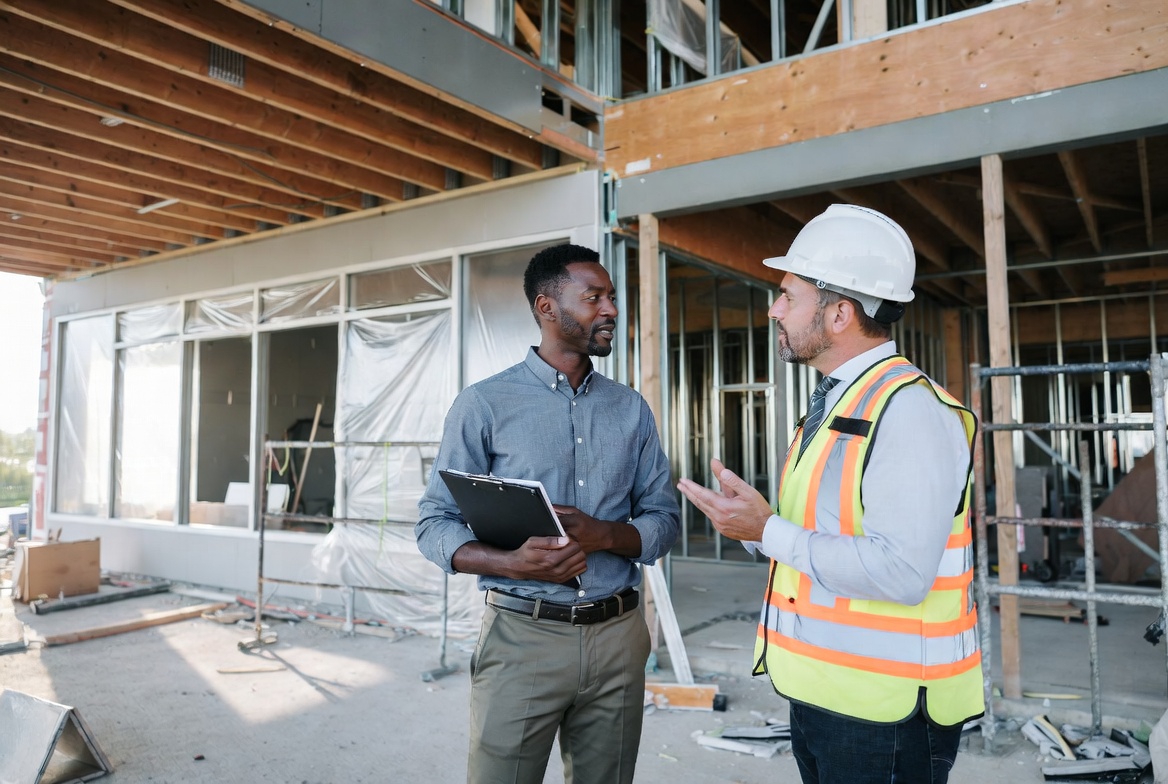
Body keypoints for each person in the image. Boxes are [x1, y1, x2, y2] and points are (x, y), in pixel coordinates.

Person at [676, 204, 983, 784]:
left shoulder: (908, 409)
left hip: (885, 710)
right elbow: (820, 530)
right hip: (824, 692)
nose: (774, 309)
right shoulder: (841, 401)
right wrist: (754, 527)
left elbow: (900, 572)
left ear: (840, 313)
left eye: (789, 296)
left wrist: (768, 531)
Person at [416, 243, 680, 784]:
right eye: (594, 298)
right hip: (521, 638)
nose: (610, 309)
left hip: (619, 637)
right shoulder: (484, 405)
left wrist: (604, 534)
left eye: (611, 297)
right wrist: (514, 564)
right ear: (546, 307)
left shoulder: (630, 408)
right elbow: (433, 525)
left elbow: (664, 519)